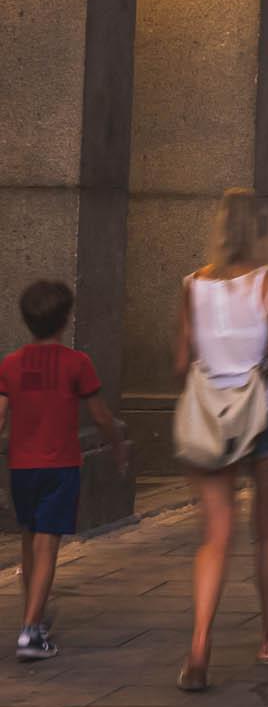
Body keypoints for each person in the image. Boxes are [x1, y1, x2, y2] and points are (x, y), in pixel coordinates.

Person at [172, 196, 268, 688]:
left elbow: (181, 358)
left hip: (210, 416)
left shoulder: (192, 285)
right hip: (267, 414)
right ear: (260, 231)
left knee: (214, 537)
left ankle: (198, 646)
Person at [1, 280, 130, 664]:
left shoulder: (10, 364)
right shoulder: (77, 364)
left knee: (29, 539)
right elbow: (100, 415)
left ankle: (34, 617)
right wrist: (117, 445)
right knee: (48, 545)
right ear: (65, 319)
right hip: (59, 465)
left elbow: (1, 412)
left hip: (21, 466)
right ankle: (30, 630)